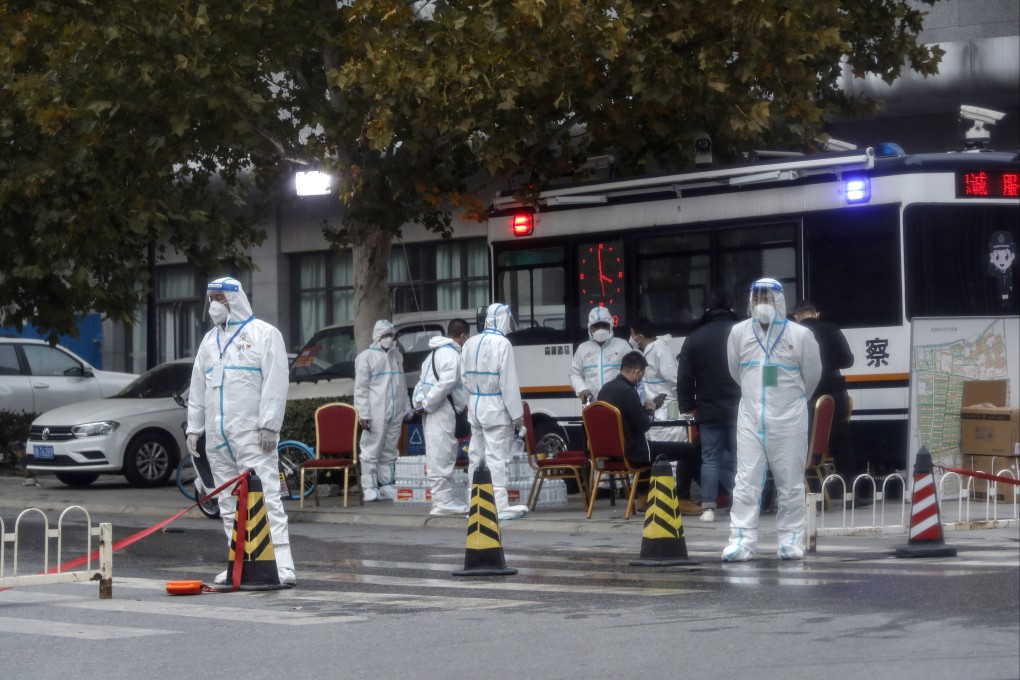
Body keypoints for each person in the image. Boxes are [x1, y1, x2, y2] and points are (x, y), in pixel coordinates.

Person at [186, 277, 295, 586]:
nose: (213, 305)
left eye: (219, 299)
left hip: (251, 435)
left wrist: (269, 424)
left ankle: (282, 566)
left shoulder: (263, 335)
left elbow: (275, 382)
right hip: (218, 438)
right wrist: (195, 428)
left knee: (267, 498)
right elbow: (197, 386)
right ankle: (238, 564)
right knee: (227, 503)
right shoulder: (209, 341)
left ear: (234, 299)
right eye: (211, 299)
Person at [723, 278, 821, 562]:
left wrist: (790, 404)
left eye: (767, 298)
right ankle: (741, 540)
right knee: (746, 481)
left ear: (779, 301)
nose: (761, 304)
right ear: (750, 301)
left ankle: (790, 540)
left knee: (789, 482)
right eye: (757, 298)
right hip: (751, 418)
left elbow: (811, 378)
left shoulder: (800, 335)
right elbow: (735, 372)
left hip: (789, 419)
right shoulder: (738, 333)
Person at [791, 300, 867, 506]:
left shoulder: (792, 333)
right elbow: (847, 361)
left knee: (807, 445)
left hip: (805, 395)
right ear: (816, 314)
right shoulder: (832, 329)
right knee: (842, 444)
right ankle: (850, 494)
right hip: (835, 393)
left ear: (796, 316)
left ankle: (814, 495)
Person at [676, 289, 741, 523]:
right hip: (740, 409)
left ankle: (709, 508)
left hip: (708, 410)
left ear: (707, 310)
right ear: (731, 309)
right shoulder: (743, 333)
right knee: (738, 460)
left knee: (710, 459)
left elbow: (684, 377)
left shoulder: (695, 337)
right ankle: (740, 505)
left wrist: (688, 406)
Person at [461, 303, 530, 521]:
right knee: (496, 458)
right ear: (501, 319)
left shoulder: (470, 343)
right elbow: (508, 383)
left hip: (476, 406)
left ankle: (474, 504)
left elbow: (463, 378)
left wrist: (474, 398)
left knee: (476, 456)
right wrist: (517, 416)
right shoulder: (503, 344)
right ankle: (498, 506)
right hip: (497, 409)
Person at [596, 351, 699, 494]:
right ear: (637, 372)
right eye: (642, 375)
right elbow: (645, 425)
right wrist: (650, 410)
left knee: (663, 446)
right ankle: (682, 498)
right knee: (688, 449)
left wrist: (643, 409)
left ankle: (645, 497)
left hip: (611, 452)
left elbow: (627, 417)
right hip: (634, 452)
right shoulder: (628, 392)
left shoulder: (605, 389)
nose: (641, 378)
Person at [629, 317, 698, 514]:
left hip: (668, 412)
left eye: (633, 334)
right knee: (661, 459)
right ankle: (659, 498)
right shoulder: (649, 351)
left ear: (640, 336)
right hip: (655, 414)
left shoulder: (660, 351)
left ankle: (674, 500)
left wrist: (683, 406)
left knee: (673, 459)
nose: (631, 338)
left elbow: (674, 380)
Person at [412, 318, 471, 516]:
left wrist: (420, 402)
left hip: (431, 411)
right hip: (442, 410)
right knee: (442, 454)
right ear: (462, 335)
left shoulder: (432, 355)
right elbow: (445, 384)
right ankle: (443, 502)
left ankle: (441, 499)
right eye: (467, 337)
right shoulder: (452, 356)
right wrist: (428, 403)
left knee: (437, 453)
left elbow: (421, 383)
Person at [354, 319, 411, 502]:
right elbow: (361, 389)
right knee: (371, 449)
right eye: (386, 335)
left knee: (389, 449)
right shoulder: (366, 357)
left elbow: (401, 383)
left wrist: (406, 406)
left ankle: (386, 485)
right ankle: (369, 487)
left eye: (391, 335)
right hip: (375, 411)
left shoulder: (397, 356)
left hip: (395, 410)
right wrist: (363, 413)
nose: (389, 339)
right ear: (377, 337)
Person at [570, 306, 631, 405]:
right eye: (596, 326)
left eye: (604, 325)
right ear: (590, 327)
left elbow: (633, 372)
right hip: (593, 404)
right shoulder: (583, 349)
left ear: (610, 325)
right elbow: (575, 373)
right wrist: (581, 389)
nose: (600, 329)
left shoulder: (622, 346)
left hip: (620, 404)